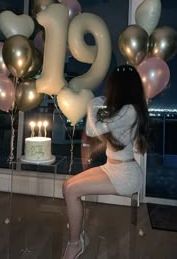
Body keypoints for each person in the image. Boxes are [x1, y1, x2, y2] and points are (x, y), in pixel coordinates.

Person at [62, 64, 150, 259]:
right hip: (113, 167)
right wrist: (100, 103)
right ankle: (79, 234)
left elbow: (94, 130)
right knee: (67, 185)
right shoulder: (124, 109)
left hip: (126, 175)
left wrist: (94, 102)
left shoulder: (130, 111)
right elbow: (101, 128)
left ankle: (75, 244)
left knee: (71, 191)